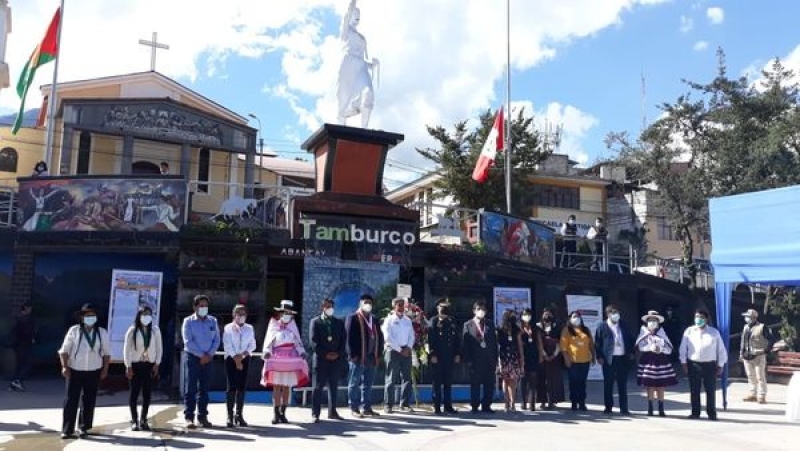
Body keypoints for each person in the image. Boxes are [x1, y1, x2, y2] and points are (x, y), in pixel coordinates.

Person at [57, 303, 111, 439]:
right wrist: (64, 366)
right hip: (74, 370)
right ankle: (67, 430)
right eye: (87, 315)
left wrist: (105, 370)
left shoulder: (102, 333)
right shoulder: (74, 331)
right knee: (70, 400)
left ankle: (83, 427)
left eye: (92, 315)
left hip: (94, 371)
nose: (90, 317)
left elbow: (106, 354)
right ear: (81, 317)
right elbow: (64, 351)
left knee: (89, 400)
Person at [261, 300, 309, 425]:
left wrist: (302, 351)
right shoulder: (274, 325)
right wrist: (267, 351)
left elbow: (298, 342)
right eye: (284, 312)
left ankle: (283, 412)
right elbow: (269, 341)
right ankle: (276, 413)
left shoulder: (293, 326)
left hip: (290, 359)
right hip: (277, 358)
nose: (286, 315)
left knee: (287, 387)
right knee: (277, 387)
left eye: (289, 313)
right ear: (280, 313)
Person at [679, 309, 728, 421]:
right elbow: (683, 348)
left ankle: (712, 413)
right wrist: (683, 362)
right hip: (694, 364)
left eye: (701, 317)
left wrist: (721, 365)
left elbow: (721, 350)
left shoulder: (714, 332)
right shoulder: (689, 331)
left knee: (710, 390)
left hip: (710, 365)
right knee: (694, 390)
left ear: (706, 319)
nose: (698, 319)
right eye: (697, 316)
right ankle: (695, 412)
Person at [336, 0, 378, 128]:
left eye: (358, 14)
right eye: (355, 13)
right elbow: (348, 13)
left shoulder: (362, 37)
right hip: (347, 67)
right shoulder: (345, 31)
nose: (357, 16)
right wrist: (353, 3)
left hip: (361, 67)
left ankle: (364, 130)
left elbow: (362, 58)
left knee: (368, 93)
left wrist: (372, 65)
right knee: (343, 98)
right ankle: (341, 124)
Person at [182, 294, 220, 429]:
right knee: (191, 387)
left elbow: (216, 340)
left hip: (208, 358)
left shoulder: (213, 321)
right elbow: (188, 342)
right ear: (195, 307)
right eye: (201, 305)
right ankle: (189, 417)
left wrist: (209, 355)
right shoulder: (188, 321)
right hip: (193, 357)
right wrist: (201, 355)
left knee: (204, 388)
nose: (204, 308)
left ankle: (202, 416)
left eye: (206, 306)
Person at [123, 304, 163, 431]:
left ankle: (143, 419)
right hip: (136, 365)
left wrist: (157, 364)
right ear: (139, 316)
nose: (147, 317)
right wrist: (128, 366)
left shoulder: (155, 330)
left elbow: (159, 348)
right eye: (144, 314)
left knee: (147, 394)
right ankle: (134, 420)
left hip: (149, 365)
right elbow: (126, 349)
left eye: (149, 314)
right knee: (134, 393)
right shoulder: (132, 330)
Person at [309, 298, 347, 423]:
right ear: (322, 308)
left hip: (335, 360)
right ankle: (316, 413)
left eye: (331, 306)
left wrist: (337, 354)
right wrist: (326, 354)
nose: (329, 308)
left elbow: (343, 341)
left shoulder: (339, 323)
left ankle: (333, 411)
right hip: (321, 360)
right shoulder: (315, 322)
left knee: (333, 386)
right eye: (327, 306)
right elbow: (314, 342)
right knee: (318, 387)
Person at [345, 294, 383, 418]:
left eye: (370, 303)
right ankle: (354, 407)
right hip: (358, 357)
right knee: (354, 383)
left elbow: (380, 338)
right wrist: (352, 355)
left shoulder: (375, 319)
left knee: (368, 384)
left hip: (371, 356)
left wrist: (378, 354)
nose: (368, 305)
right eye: (366, 302)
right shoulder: (353, 318)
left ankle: (366, 407)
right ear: (360, 303)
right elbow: (348, 338)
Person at [594, 304, 636, 415]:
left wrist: (631, 352)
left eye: (617, 312)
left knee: (622, 384)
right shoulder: (601, 326)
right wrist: (599, 356)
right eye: (613, 313)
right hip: (608, 360)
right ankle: (608, 407)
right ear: (608, 314)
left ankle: (624, 408)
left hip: (622, 358)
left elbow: (631, 339)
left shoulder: (624, 325)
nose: (616, 315)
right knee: (608, 384)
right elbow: (597, 343)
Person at [635, 310, 677, 417]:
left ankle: (661, 408)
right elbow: (640, 346)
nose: (652, 322)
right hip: (648, 360)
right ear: (647, 322)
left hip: (661, 361)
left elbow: (669, 349)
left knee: (661, 385)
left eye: (654, 320)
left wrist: (661, 349)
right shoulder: (643, 332)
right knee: (650, 385)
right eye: (650, 320)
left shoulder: (662, 333)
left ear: (658, 322)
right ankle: (650, 408)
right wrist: (650, 347)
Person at [222, 304, 256, 428]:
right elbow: (227, 345)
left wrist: (242, 357)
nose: (241, 316)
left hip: (245, 358)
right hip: (231, 359)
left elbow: (252, 345)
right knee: (231, 387)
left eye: (243, 314)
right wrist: (236, 359)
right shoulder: (228, 328)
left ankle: (239, 415)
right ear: (234, 315)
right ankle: (229, 416)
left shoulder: (249, 328)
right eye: (238, 313)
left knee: (242, 387)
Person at [462, 300, 498, 414]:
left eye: (483, 309)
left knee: (489, 384)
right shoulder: (468, 325)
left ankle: (486, 405)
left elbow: (494, 342)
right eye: (479, 309)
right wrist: (467, 360)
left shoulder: (490, 324)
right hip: (475, 360)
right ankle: (475, 405)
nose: (481, 311)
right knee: (475, 384)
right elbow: (465, 344)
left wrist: (495, 359)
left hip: (489, 359)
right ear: (474, 311)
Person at [381, 297, 415, 414]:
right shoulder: (389, 320)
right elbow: (387, 337)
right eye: (399, 305)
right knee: (391, 378)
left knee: (407, 378)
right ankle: (388, 405)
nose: (401, 307)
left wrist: (409, 347)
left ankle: (404, 404)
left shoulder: (408, 320)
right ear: (394, 306)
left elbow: (412, 336)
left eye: (402, 305)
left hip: (406, 351)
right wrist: (399, 349)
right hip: (393, 351)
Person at [427, 298, 461, 415]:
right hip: (437, 357)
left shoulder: (451, 321)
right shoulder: (433, 321)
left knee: (448, 382)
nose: (443, 310)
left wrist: (457, 354)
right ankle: (436, 406)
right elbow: (430, 340)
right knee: (437, 383)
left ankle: (448, 406)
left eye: (445, 308)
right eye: (441, 308)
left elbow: (456, 339)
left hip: (449, 357)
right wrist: (432, 354)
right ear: (438, 309)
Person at [560, 311, 595, 411]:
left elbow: (591, 344)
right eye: (574, 316)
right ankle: (574, 402)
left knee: (582, 382)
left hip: (585, 361)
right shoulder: (566, 330)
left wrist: (593, 356)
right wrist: (566, 359)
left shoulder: (586, 330)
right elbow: (563, 348)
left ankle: (582, 402)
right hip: (573, 361)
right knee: (573, 382)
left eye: (578, 316)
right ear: (570, 319)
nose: (576, 318)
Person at [740, 308, 774, 404]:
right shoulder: (745, 327)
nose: (746, 318)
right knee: (750, 376)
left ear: (753, 317)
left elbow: (771, 340)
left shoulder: (762, 327)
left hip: (759, 355)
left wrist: (766, 350)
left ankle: (761, 396)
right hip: (747, 355)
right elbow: (743, 341)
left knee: (760, 376)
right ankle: (752, 394)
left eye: (748, 317)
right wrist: (741, 353)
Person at [537, 308, 565, 409]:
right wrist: (544, 354)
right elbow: (538, 343)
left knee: (553, 380)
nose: (547, 316)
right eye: (545, 314)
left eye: (548, 314)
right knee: (542, 380)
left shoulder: (557, 327)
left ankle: (552, 401)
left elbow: (560, 342)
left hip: (554, 357)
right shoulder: (538, 327)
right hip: (542, 356)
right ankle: (543, 401)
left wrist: (554, 354)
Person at [497, 309, 524, 412]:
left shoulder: (516, 329)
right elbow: (498, 345)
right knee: (505, 380)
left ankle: (513, 402)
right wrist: (498, 360)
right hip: (503, 357)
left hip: (514, 357)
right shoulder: (499, 329)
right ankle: (506, 402)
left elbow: (520, 345)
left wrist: (522, 359)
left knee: (513, 380)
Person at [8, 302, 35, 392]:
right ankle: (17, 380)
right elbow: (28, 333)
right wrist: (32, 338)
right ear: (26, 308)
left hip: (17, 345)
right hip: (24, 344)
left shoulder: (17, 319)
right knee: (26, 363)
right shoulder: (26, 320)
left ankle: (13, 383)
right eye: (29, 308)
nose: (30, 310)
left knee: (20, 364)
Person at [519, 308, 543, 411]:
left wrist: (541, 355)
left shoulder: (535, 328)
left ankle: (532, 403)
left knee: (533, 380)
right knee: (523, 381)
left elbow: (539, 342)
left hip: (533, 355)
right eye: (524, 314)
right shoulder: (519, 328)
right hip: (522, 356)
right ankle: (523, 402)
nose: (526, 316)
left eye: (528, 314)